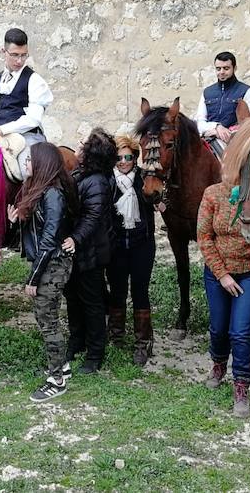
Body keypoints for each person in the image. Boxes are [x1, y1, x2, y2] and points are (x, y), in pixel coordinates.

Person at [198, 180, 250, 418]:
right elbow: (204, 237)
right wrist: (222, 275)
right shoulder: (212, 193)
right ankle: (219, 363)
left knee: (241, 331)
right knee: (219, 327)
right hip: (218, 273)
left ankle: (241, 386)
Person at [8, 142, 79, 402]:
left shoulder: (53, 195)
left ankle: (56, 379)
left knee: (47, 319)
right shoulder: (37, 191)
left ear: (42, 164)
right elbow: (28, 238)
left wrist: (33, 278)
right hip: (47, 262)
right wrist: (13, 222)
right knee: (45, 318)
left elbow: (48, 241)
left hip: (54, 264)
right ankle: (62, 367)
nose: (25, 164)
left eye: (29, 160)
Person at [63, 128, 116, 374]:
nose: (78, 145)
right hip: (77, 252)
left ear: (91, 153)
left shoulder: (97, 181)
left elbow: (92, 216)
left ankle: (95, 353)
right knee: (73, 298)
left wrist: (76, 238)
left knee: (92, 303)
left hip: (91, 253)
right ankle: (77, 341)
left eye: (82, 143)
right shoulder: (81, 174)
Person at [106, 134, 157, 366]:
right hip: (117, 244)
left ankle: (143, 341)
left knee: (140, 291)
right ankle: (115, 335)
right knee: (117, 289)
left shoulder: (144, 180)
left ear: (135, 158)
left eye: (128, 157)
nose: (124, 162)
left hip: (141, 244)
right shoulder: (109, 182)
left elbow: (157, 199)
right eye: (119, 158)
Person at [0, 28, 53, 179]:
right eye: (14, 55)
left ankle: (31, 201)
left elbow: (33, 119)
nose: (19, 61)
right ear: (3, 52)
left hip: (27, 137)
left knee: (28, 171)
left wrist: (2, 130)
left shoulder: (34, 80)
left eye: (23, 55)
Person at [195, 52, 250, 157]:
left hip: (234, 142)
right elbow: (199, 122)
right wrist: (216, 128)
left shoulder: (247, 91)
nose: (222, 72)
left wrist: (229, 132)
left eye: (226, 68)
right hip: (208, 139)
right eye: (218, 69)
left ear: (235, 68)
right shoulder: (207, 92)